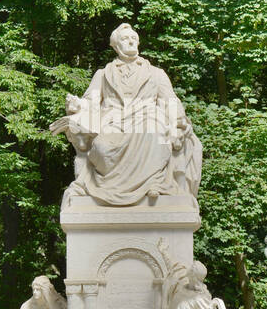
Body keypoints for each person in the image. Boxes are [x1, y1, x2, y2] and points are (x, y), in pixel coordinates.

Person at [50, 24, 202, 206]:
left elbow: (170, 102)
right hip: (113, 121)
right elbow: (91, 102)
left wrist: (178, 123)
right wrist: (78, 105)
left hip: (148, 117)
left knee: (153, 133)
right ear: (115, 45)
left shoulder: (156, 74)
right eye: (125, 39)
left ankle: (155, 183)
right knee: (102, 146)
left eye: (133, 38)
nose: (130, 41)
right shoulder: (103, 74)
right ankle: (122, 187)